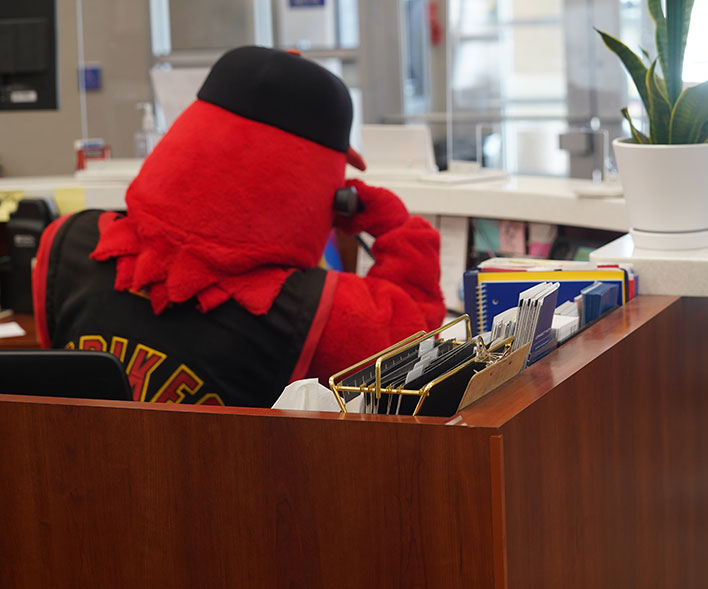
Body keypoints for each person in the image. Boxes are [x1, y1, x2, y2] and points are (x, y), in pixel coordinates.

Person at [31, 46, 445, 408]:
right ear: (325, 186)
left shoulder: (70, 244)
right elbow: (417, 352)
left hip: (73, 489)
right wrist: (397, 229)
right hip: (238, 498)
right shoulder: (318, 312)